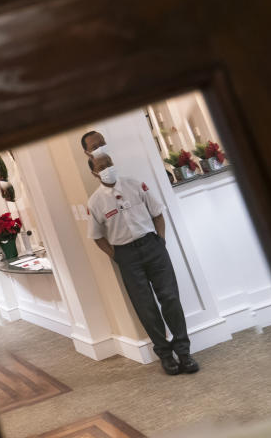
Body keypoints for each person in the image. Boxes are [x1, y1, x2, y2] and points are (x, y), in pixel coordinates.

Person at [87, 152, 199, 375]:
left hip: (153, 246)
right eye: (101, 166)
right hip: (126, 255)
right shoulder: (95, 202)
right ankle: (166, 356)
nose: (107, 167)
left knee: (170, 298)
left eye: (109, 163)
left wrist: (161, 240)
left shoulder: (136, 184)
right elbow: (97, 236)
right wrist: (115, 255)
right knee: (146, 307)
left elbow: (157, 213)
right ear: (93, 172)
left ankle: (184, 352)